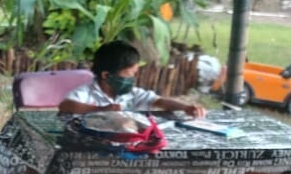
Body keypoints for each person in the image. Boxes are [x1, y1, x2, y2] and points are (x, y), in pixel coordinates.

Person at [58, 40, 207, 118]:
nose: (133, 78)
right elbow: (66, 105)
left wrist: (185, 107)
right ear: (106, 75)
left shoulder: (131, 94)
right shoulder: (87, 93)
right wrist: (101, 110)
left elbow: (158, 101)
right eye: (129, 74)